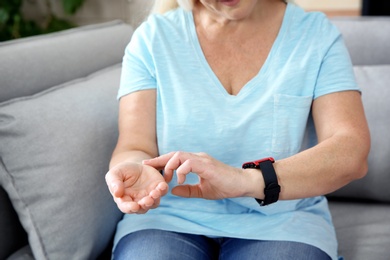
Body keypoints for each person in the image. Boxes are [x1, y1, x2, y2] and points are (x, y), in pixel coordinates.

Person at [105, 0, 370, 259]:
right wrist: (134, 169)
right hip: (167, 218)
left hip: (283, 223)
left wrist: (245, 181)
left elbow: (350, 150)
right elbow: (135, 146)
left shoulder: (314, 35)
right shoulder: (153, 38)